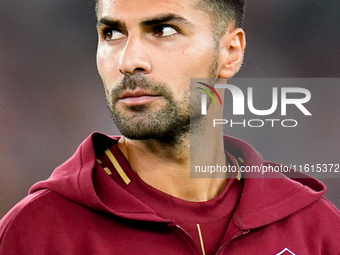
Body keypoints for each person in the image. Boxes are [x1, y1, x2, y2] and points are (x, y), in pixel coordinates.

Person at [1, 0, 339, 254]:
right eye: (112, 33)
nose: (129, 60)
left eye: (163, 30)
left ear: (230, 52)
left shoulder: (316, 229)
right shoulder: (37, 233)